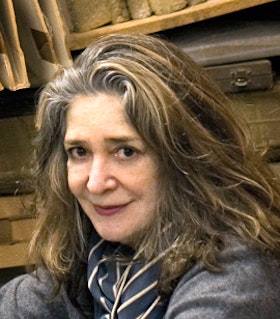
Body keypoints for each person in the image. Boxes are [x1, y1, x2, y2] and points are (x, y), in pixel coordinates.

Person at [1, 33, 280, 319]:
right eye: (79, 152)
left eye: (126, 152)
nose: (96, 183)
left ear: (187, 157)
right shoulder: (104, 257)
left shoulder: (236, 279)